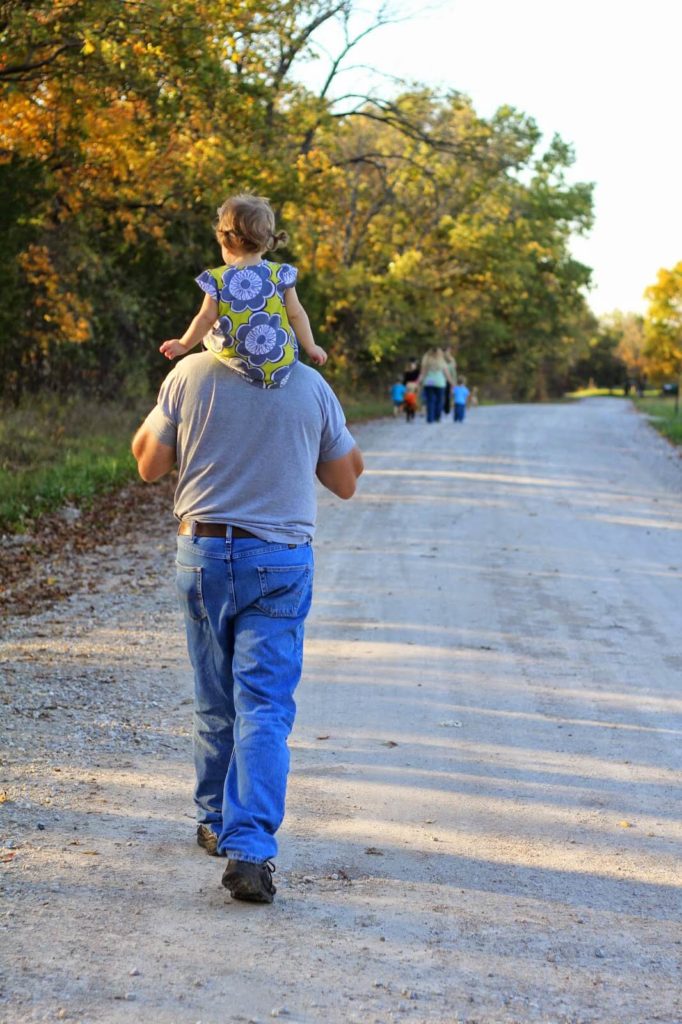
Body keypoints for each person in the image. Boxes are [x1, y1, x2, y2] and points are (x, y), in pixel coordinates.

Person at [131, 352, 363, 904]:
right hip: (280, 559)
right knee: (263, 705)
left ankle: (214, 820)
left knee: (215, 697)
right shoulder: (310, 385)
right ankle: (250, 849)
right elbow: (347, 480)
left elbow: (147, 462)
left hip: (204, 550)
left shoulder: (188, 375)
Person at [159, 193, 327, 387]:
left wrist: (183, 344)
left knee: (211, 332)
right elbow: (296, 314)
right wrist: (311, 346)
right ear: (266, 243)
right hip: (279, 363)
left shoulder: (218, 279)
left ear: (225, 241)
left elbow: (205, 318)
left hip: (232, 360)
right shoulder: (281, 274)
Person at [418, 348, 454, 423]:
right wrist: (452, 383)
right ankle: (437, 417)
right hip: (440, 383)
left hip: (429, 383)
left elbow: (422, 373)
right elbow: (447, 374)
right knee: (439, 401)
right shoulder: (442, 361)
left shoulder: (427, 361)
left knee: (430, 401)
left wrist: (419, 381)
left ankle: (430, 418)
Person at [442, 346, 457, 416]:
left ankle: (446, 409)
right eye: (447, 351)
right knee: (443, 395)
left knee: (447, 395)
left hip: (449, 379)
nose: (448, 352)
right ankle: (442, 408)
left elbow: (453, 371)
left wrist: (453, 381)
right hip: (442, 379)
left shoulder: (452, 359)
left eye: (449, 351)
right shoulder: (441, 358)